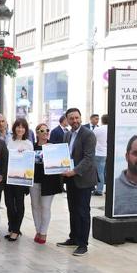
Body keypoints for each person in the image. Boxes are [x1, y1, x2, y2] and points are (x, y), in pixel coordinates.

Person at [57, 108, 97, 256]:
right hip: (71, 179)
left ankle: (83, 244)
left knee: (83, 211)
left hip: (84, 179)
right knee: (73, 209)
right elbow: (65, 155)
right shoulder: (67, 135)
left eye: (77, 118)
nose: (74, 121)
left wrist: (74, 171)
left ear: (80, 118)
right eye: (71, 118)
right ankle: (73, 237)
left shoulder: (88, 134)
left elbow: (89, 158)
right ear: (67, 120)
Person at [29, 123, 63, 244]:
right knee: (35, 206)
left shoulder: (53, 146)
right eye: (42, 131)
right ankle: (37, 230)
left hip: (49, 182)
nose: (45, 132)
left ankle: (43, 233)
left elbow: (60, 163)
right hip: (34, 181)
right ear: (37, 133)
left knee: (45, 207)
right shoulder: (32, 147)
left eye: (47, 130)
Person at [3, 118, 33, 242]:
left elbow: (30, 162)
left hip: (21, 179)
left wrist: (24, 153)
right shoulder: (9, 141)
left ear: (25, 129)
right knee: (9, 204)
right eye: (18, 127)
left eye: (23, 127)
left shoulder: (28, 143)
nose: (20, 129)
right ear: (14, 128)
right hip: (9, 178)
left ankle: (16, 230)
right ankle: (12, 227)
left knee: (19, 205)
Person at [92, 115, 108, 196]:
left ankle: (99, 190)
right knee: (108, 172)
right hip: (109, 153)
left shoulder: (97, 129)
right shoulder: (112, 128)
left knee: (100, 173)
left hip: (99, 153)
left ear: (102, 120)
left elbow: (92, 140)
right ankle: (109, 189)